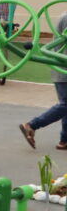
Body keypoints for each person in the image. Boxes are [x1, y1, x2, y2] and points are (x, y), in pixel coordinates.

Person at [20, 13, 67, 150]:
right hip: (63, 68)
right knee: (66, 104)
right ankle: (32, 125)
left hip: (61, 69)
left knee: (65, 105)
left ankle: (64, 140)